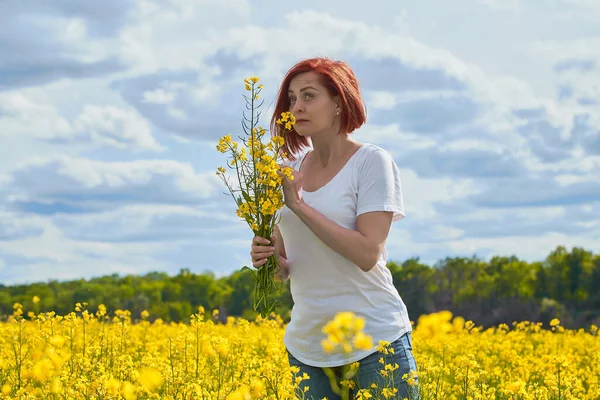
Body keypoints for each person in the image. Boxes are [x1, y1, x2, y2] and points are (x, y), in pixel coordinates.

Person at [250, 57, 419, 400]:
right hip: (308, 349)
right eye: (292, 99)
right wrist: (268, 261)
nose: (296, 108)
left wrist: (298, 204)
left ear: (340, 102)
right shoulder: (286, 171)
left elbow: (367, 253)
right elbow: (287, 268)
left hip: (375, 343)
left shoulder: (372, 162)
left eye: (309, 96)